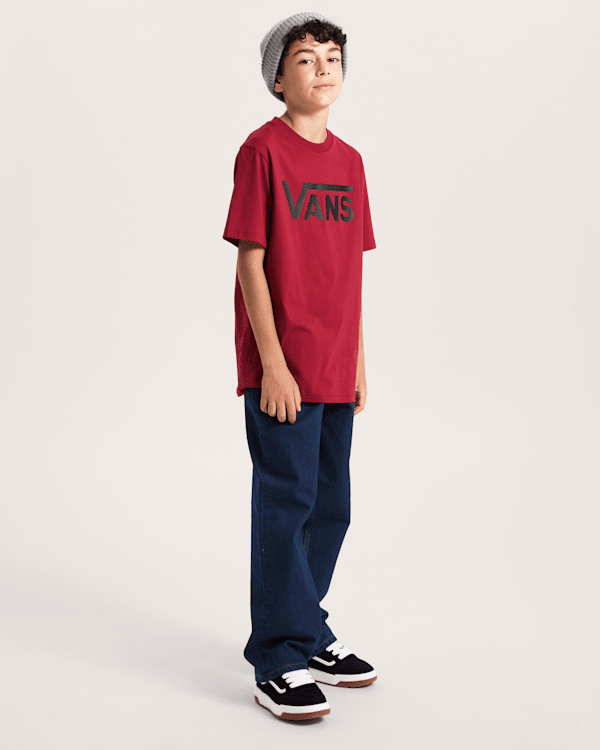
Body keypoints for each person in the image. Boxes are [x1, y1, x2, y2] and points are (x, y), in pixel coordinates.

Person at [222, 11, 377, 721]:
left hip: (335, 364)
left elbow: (350, 273)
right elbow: (251, 263)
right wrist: (273, 366)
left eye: (333, 58)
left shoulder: (351, 163)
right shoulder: (262, 151)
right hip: (282, 368)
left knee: (331, 506)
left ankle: (307, 627)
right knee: (286, 505)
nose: (324, 69)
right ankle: (277, 657)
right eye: (307, 59)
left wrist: (359, 360)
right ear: (278, 79)